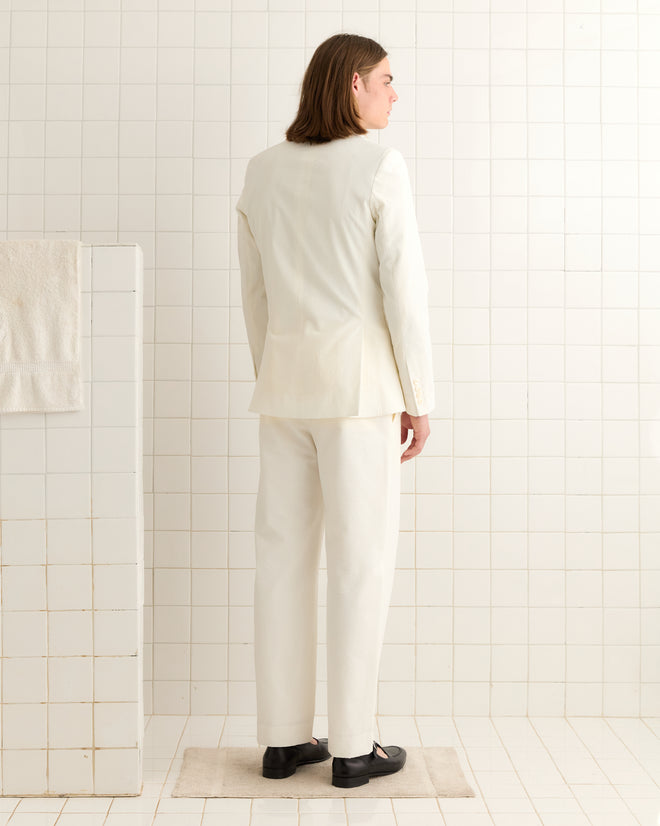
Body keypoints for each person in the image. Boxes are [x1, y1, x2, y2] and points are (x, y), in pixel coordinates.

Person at [235, 33, 434, 789]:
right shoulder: (381, 165)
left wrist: (275, 371)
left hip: (284, 390)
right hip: (358, 396)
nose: (394, 92)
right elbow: (403, 294)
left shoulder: (261, 172)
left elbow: (254, 297)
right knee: (359, 563)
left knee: (280, 561)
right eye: (386, 79)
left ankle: (285, 742)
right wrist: (420, 398)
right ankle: (354, 747)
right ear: (353, 84)